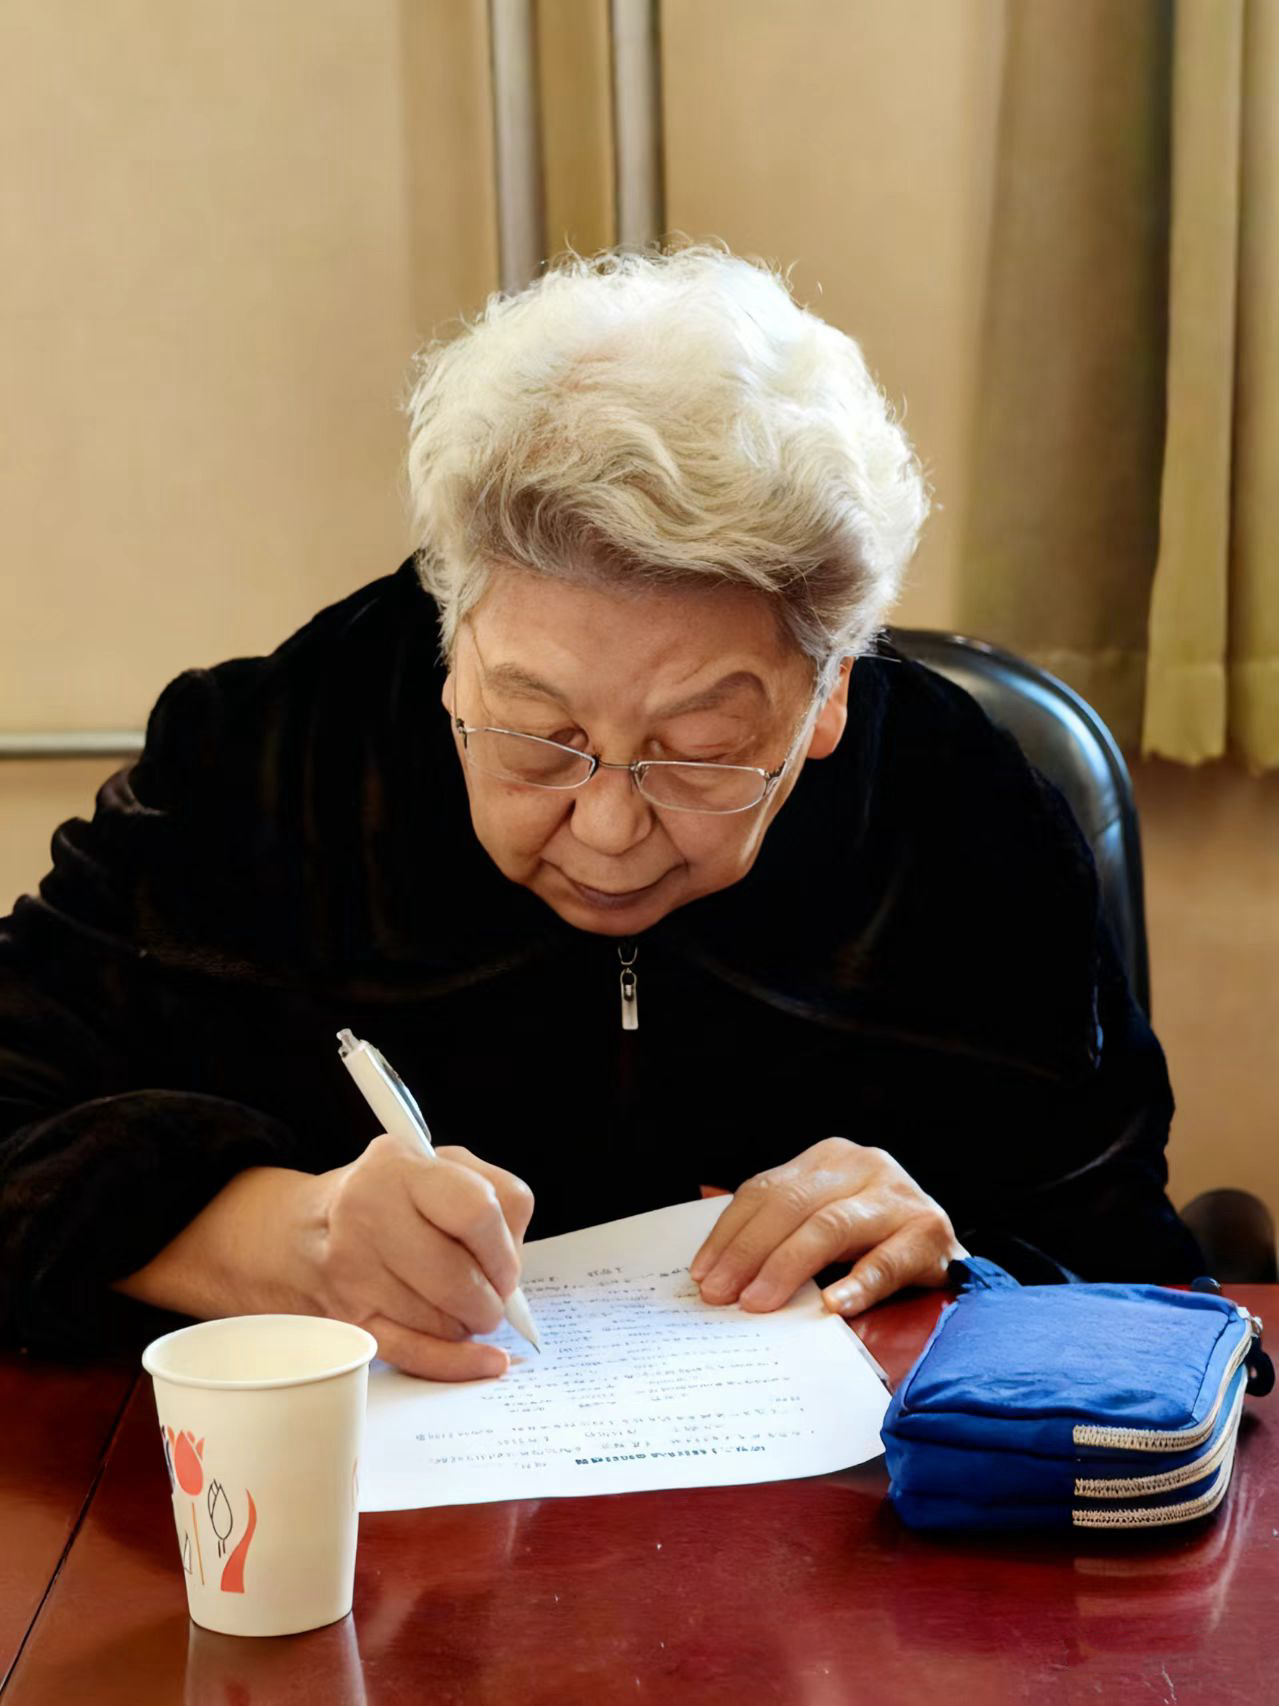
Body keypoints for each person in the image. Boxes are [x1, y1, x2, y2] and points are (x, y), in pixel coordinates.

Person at [0, 245, 1199, 1379]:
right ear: (453, 640)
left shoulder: (965, 820)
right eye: (538, 734)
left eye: (701, 752)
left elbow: (1144, 1285)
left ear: (829, 691)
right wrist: (279, 1235)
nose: (609, 830)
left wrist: (961, 1270)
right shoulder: (268, 761)